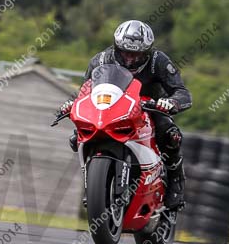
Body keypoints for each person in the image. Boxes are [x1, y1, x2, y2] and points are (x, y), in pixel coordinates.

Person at [60, 20, 192, 209]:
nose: (130, 59)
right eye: (125, 53)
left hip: (150, 107)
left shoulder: (159, 61)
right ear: (116, 47)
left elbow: (182, 91)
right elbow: (86, 90)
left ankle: (176, 181)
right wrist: (72, 104)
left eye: (136, 55)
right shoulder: (101, 60)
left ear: (147, 52)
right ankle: (95, 183)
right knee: (77, 138)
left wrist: (171, 102)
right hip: (112, 108)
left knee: (170, 134)